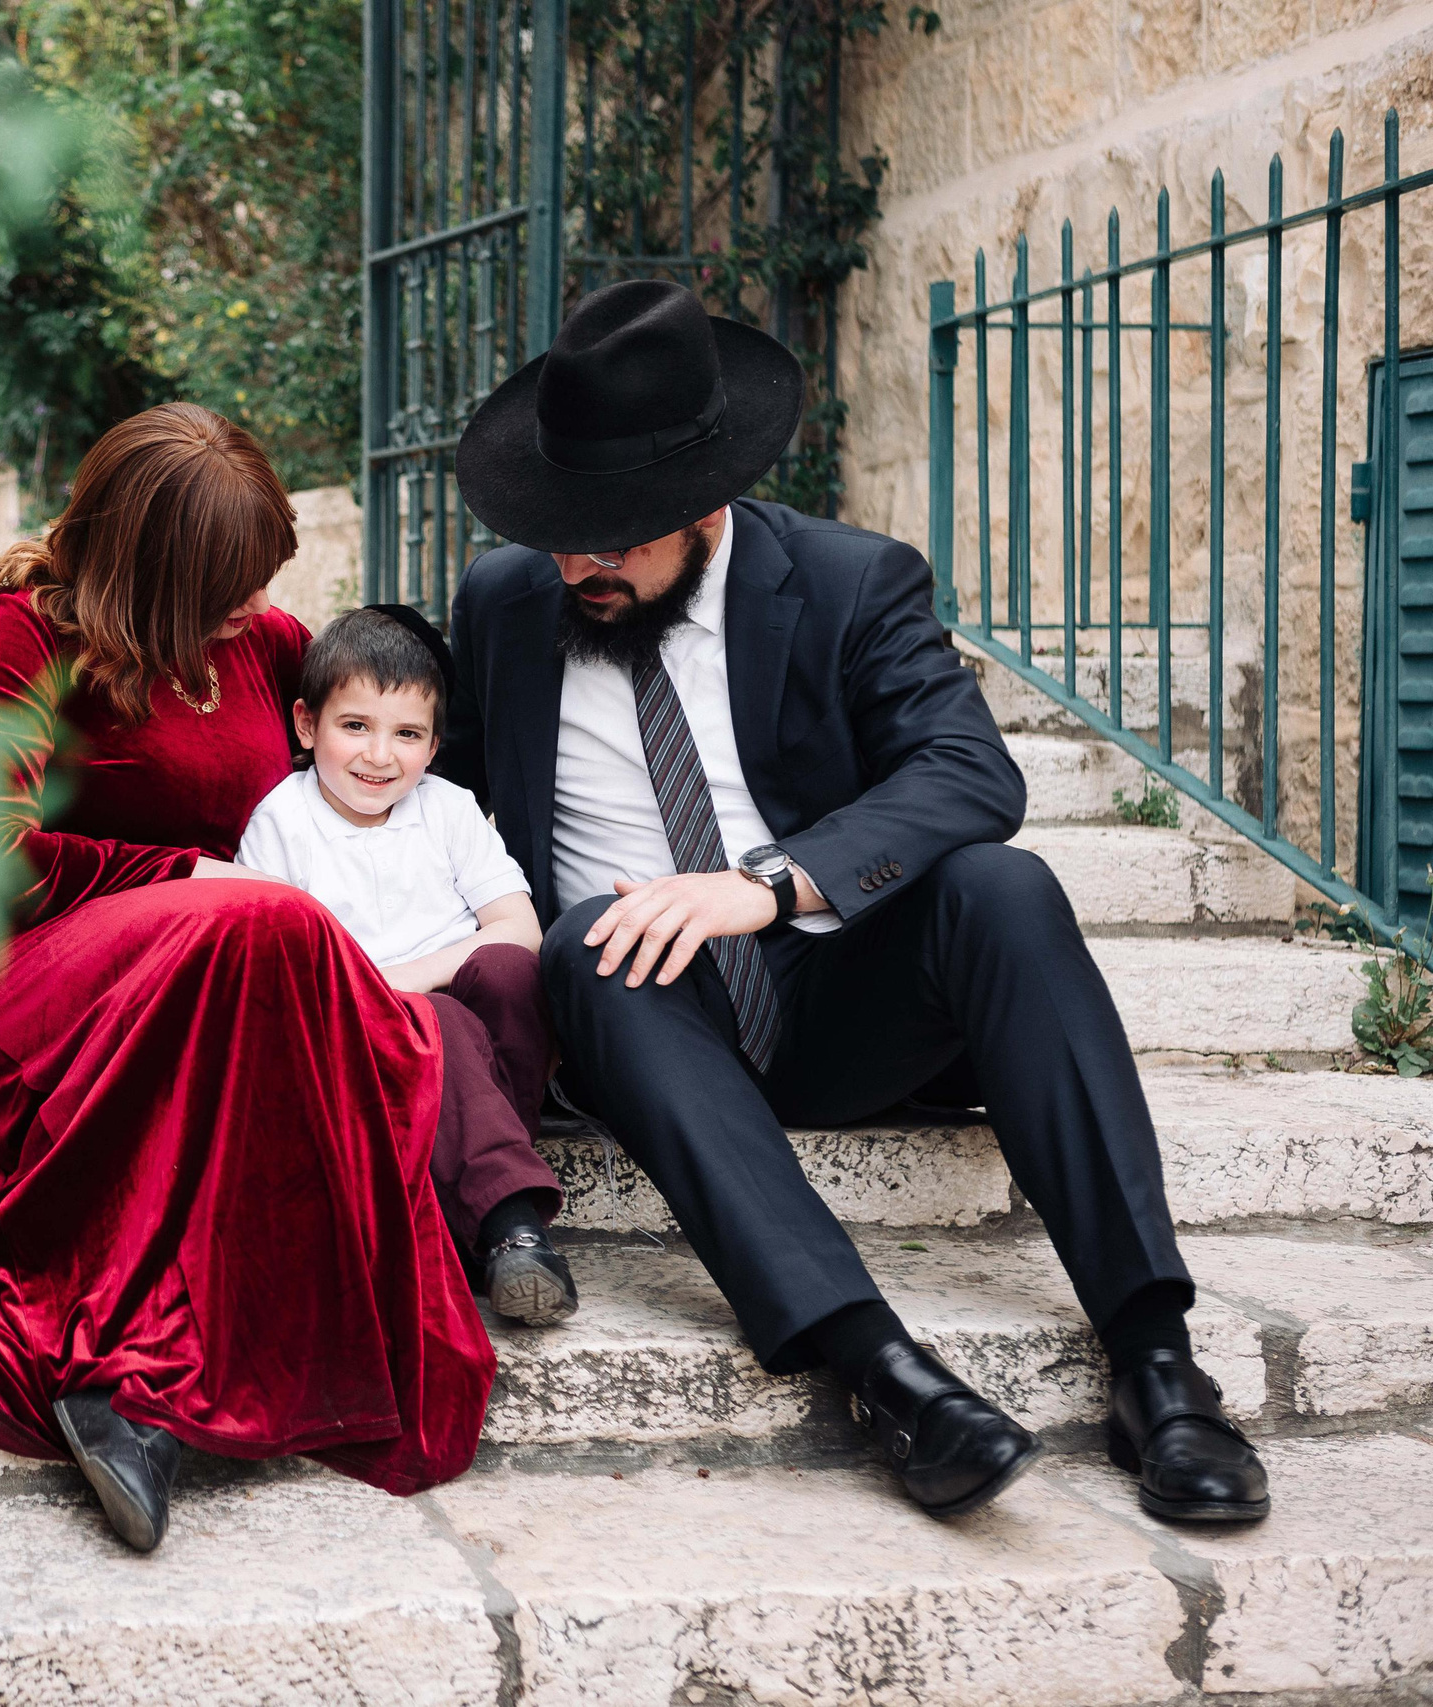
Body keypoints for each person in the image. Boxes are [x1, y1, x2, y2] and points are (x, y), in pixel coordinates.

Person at [438, 278, 1270, 1523]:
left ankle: (1156, 1361)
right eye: (562, 527)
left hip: (835, 994)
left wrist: (761, 888)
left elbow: (966, 773)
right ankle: (879, 1371)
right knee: (589, 943)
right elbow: (438, 802)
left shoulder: (849, 579)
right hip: (641, 1023)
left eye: (615, 535)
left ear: (703, 501)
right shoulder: (504, 605)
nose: (579, 563)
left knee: (1002, 887)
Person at [0, 403, 524, 1555]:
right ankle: (135, 1376)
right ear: (156, 569)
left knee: (274, 955)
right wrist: (183, 877)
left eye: (259, 576)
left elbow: (378, 751)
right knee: (251, 924)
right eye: (227, 580)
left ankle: (142, 1404)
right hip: (20, 983)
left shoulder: (263, 646)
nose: (253, 603)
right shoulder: (18, 643)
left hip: (220, 976)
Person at [235, 605, 573, 1322]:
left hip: (470, 1054)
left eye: (407, 735)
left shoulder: (447, 810)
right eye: (355, 726)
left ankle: (475, 1203)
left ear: (433, 745)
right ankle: (511, 1226)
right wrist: (397, 999)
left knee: (508, 973)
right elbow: (273, 968)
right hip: (358, 1048)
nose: (380, 756)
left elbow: (520, 929)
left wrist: (407, 976)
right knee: (439, 1017)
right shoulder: (281, 821)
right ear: (306, 725)